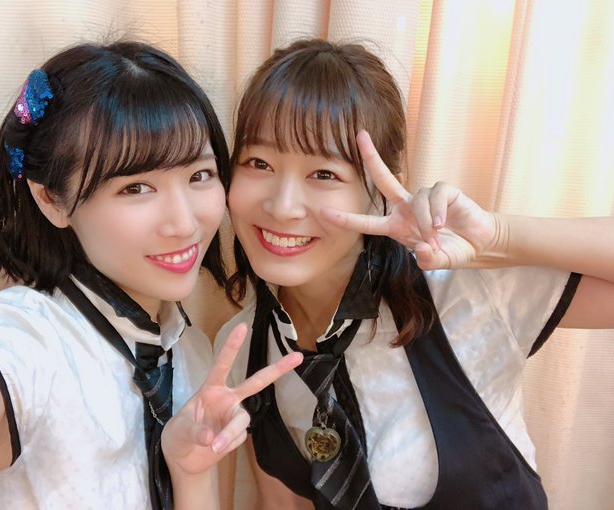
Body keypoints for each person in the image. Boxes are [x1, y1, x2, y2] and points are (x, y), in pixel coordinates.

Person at [216, 38, 614, 509]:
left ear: (380, 192)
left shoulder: (463, 290)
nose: (282, 207)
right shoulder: (241, 346)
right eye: (259, 163)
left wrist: (497, 236)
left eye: (324, 174)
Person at [0, 41, 301, 510]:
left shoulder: (194, 355)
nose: (184, 223)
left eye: (199, 175)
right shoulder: (20, 342)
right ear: (52, 200)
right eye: (136, 187)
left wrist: (189, 475)